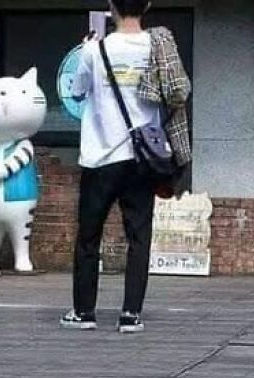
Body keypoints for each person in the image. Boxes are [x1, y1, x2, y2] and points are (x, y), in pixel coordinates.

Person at [60, 0, 189, 333]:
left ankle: (84, 312)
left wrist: (88, 50)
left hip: (100, 156)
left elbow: (77, 91)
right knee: (138, 237)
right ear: (147, 5)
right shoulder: (159, 46)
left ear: (110, 6)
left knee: (89, 237)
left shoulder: (94, 50)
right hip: (143, 157)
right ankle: (131, 314)